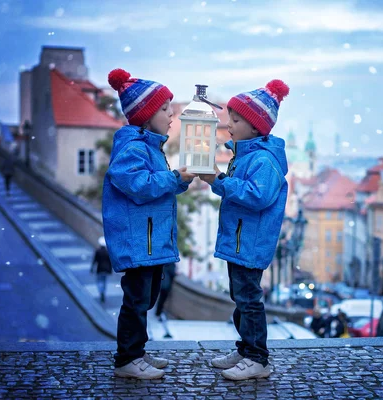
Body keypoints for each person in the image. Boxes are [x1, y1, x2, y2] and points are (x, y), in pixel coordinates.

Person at [102, 68, 195, 380]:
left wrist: (179, 180)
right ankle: (127, 359)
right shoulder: (133, 147)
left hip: (151, 239)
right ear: (146, 114)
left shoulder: (150, 146)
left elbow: (158, 186)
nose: (172, 115)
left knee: (145, 298)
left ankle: (137, 353)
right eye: (166, 109)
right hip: (138, 239)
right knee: (136, 300)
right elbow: (138, 185)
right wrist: (173, 178)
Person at [199, 79, 290, 381]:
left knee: (249, 300)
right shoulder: (248, 155)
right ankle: (245, 348)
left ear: (256, 126)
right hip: (240, 240)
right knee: (241, 298)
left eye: (235, 120)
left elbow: (257, 196)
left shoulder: (263, 159)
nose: (228, 125)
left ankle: (258, 358)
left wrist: (220, 182)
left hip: (249, 243)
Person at [90, 236, 112, 303]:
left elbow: (95, 260)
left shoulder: (98, 251)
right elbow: (110, 262)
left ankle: (101, 291)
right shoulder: (108, 252)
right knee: (104, 281)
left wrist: (92, 268)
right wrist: (110, 270)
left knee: (99, 281)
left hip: (100, 269)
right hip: (106, 270)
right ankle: (103, 292)